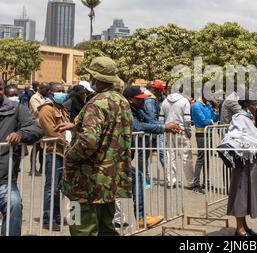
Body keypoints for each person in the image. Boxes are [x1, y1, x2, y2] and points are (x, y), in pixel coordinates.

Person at [55, 56, 133, 236]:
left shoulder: (96, 103)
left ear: (96, 78)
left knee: (78, 227)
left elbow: (88, 141)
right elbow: (111, 128)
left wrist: (70, 155)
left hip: (83, 182)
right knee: (107, 228)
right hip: (109, 181)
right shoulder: (122, 102)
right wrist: (76, 125)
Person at [0, 79, 43, 236]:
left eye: (0, 88)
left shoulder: (16, 108)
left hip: (4, 181)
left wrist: (20, 134)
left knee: (15, 204)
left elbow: (36, 128)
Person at [220, 92, 257, 236]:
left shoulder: (248, 118)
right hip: (243, 163)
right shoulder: (239, 118)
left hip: (250, 161)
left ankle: (244, 225)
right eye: (253, 104)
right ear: (246, 105)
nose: (256, 106)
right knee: (241, 194)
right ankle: (239, 229)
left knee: (247, 194)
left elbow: (252, 137)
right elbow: (236, 137)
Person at [123, 86, 167, 228]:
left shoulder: (138, 109)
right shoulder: (126, 110)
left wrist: (166, 126)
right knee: (136, 178)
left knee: (134, 179)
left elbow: (150, 121)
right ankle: (140, 218)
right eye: (139, 99)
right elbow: (136, 126)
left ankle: (141, 217)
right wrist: (163, 128)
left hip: (125, 154)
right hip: (114, 156)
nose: (143, 102)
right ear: (130, 100)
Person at [37, 83, 71, 230]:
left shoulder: (61, 108)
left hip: (63, 152)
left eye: (63, 91)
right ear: (50, 93)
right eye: (58, 91)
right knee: (51, 187)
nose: (62, 93)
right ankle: (47, 218)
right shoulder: (46, 109)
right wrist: (67, 143)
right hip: (54, 152)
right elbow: (51, 132)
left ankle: (56, 216)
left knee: (58, 188)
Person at [160, 86, 195, 189]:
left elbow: (161, 118)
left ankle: (171, 181)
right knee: (186, 158)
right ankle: (190, 182)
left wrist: (163, 130)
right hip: (181, 130)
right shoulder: (184, 101)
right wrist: (188, 132)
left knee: (170, 157)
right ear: (181, 91)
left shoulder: (164, 101)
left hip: (168, 131)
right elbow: (187, 119)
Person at [191, 94, 219, 194]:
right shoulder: (197, 106)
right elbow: (204, 121)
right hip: (201, 135)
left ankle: (206, 182)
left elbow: (215, 118)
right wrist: (211, 121)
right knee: (200, 159)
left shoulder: (207, 105)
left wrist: (216, 107)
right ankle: (196, 184)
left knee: (207, 159)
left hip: (208, 134)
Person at [29, 82, 50, 176]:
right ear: (40, 89)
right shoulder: (34, 98)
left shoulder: (44, 98)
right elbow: (37, 111)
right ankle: (32, 169)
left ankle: (42, 168)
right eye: (46, 89)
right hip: (36, 125)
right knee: (36, 147)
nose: (48, 91)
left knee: (42, 148)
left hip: (44, 126)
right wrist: (47, 107)